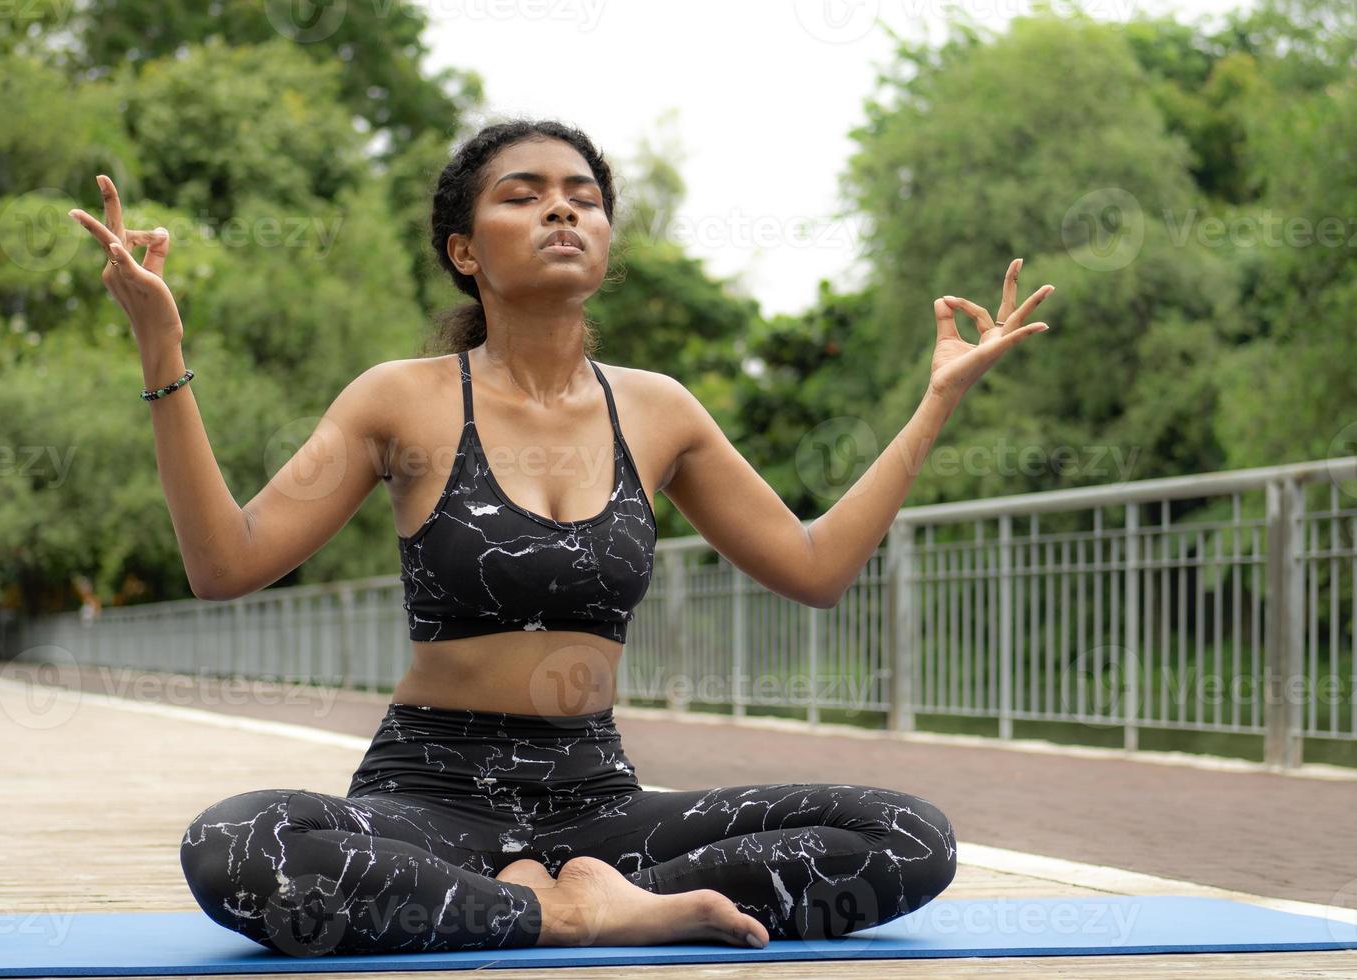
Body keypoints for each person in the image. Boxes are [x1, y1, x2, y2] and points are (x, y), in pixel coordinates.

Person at [68, 118, 1052, 957]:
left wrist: (934, 407)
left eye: (584, 194)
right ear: (464, 247)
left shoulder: (660, 410)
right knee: (241, 844)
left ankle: (576, 896)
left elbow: (815, 566)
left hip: (600, 804)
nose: (562, 208)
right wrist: (162, 348)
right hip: (430, 795)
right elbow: (226, 562)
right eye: (522, 193)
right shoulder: (399, 399)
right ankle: (568, 911)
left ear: (607, 238)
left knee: (905, 833)